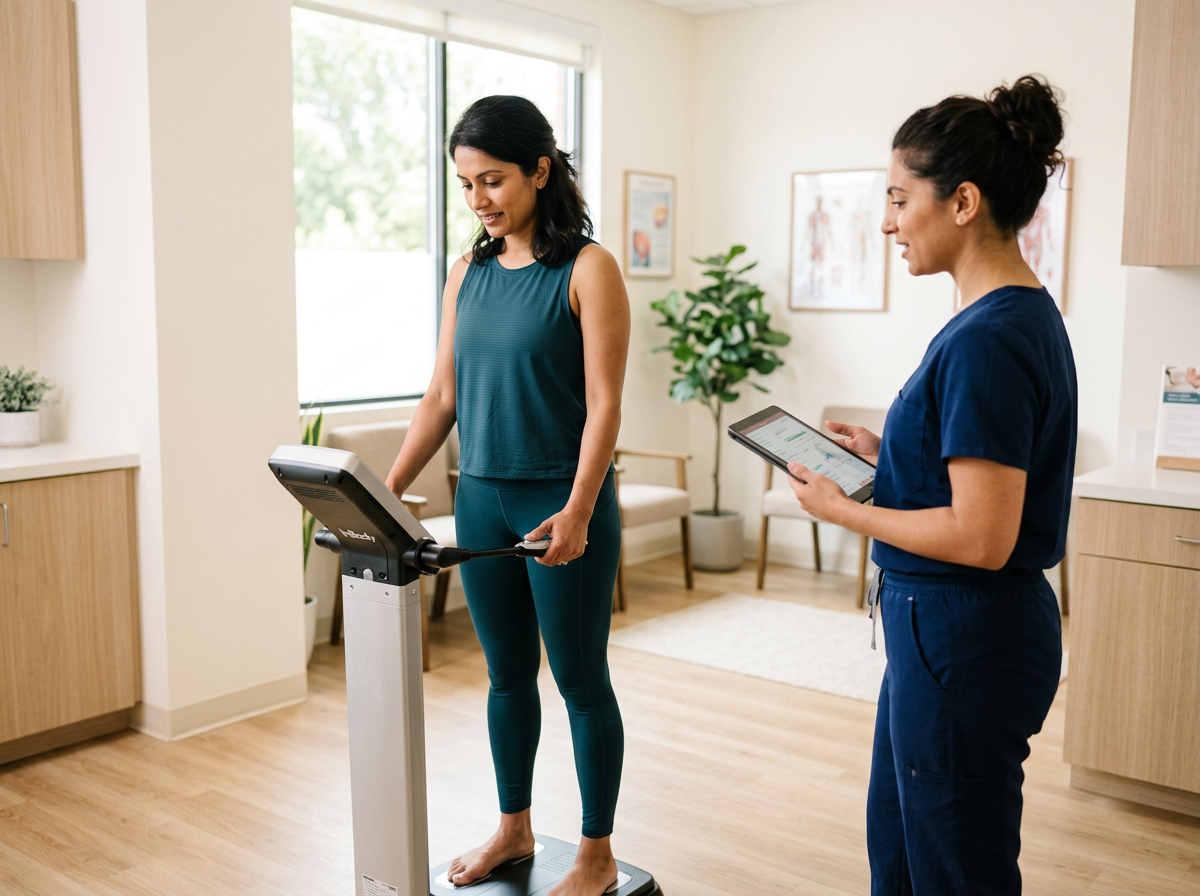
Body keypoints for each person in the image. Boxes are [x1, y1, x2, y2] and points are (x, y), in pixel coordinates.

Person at [784, 75, 1077, 894]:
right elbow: (973, 478)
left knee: (950, 871)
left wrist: (845, 511)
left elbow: (982, 536)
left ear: (964, 202)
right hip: (950, 635)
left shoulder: (989, 338)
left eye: (898, 198)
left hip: (965, 638)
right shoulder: (1009, 318)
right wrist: (891, 458)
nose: (887, 222)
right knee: (906, 853)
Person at [383, 95, 630, 896]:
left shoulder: (588, 269)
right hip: (482, 497)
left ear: (540, 170)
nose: (478, 199)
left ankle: (596, 856)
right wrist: (384, 491)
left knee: (581, 681)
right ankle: (513, 829)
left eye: (492, 180)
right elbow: (441, 397)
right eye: (465, 184)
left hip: (562, 501)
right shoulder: (468, 272)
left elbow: (606, 404)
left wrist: (582, 509)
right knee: (506, 677)